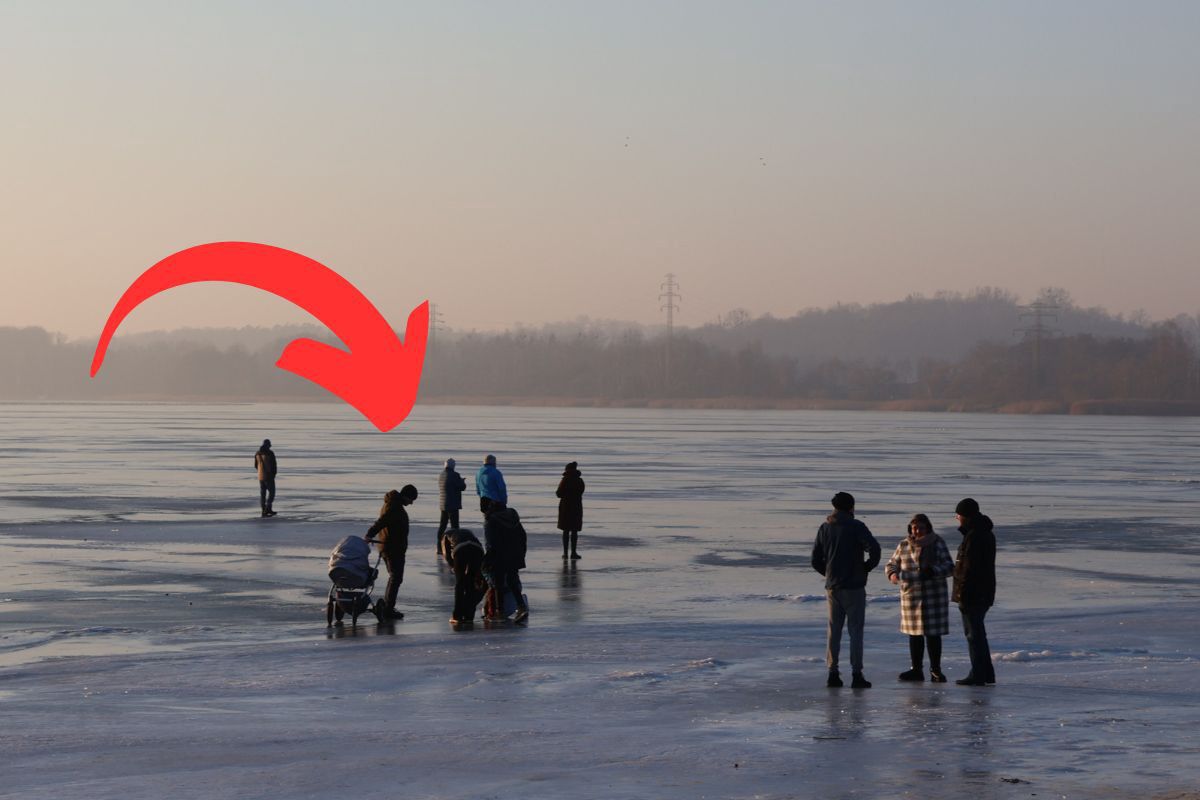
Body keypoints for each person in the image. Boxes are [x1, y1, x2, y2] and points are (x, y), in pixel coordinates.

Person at [811, 492, 881, 689]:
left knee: (834, 630)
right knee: (855, 631)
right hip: (854, 586)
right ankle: (856, 674)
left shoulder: (825, 527)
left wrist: (829, 573)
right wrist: (865, 568)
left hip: (833, 587)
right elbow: (875, 549)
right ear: (851, 507)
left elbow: (815, 559)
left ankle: (832, 673)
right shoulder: (856, 526)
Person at [885, 513, 955, 682]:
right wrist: (893, 574)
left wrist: (933, 571)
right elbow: (891, 564)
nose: (917, 531)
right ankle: (916, 670)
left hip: (934, 596)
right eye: (914, 528)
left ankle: (935, 670)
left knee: (933, 635)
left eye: (921, 528)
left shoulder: (937, 542)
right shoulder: (904, 544)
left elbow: (949, 566)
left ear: (928, 528)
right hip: (911, 596)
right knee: (914, 634)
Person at [952, 498, 997, 686]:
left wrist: (962, 594)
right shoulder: (981, 532)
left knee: (973, 635)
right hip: (982, 592)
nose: (957, 518)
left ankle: (978, 673)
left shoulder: (975, 536)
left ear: (966, 516)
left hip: (973, 594)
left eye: (958, 515)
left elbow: (969, 569)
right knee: (978, 634)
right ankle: (985, 673)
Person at [366, 484, 418, 621]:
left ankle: (389, 607)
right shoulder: (394, 506)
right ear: (406, 496)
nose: (411, 503)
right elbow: (381, 522)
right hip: (392, 548)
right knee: (396, 577)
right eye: (411, 500)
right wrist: (370, 534)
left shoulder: (394, 504)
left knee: (395, 577)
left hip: (391, 547)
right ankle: (388, 609)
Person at [483, 502, 528, 622]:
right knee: (512, 580)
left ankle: (500, 611)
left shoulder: (491, 521)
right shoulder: (513, 518)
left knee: (498, 583)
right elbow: (523, 536)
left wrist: (488, 560)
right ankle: (521, 606)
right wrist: (522, 552)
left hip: (499, 555)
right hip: (515, 554)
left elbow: (490, 543)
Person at [442, 527, 486, 623]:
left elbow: (446, 554)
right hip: (477, 549)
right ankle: (469, 615)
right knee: (471, 583)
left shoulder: (445, 536)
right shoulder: (467, 532)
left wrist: (453, 565)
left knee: (460, 583)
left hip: (460, 549)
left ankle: (457, 615)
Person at [437, 458, 467, 555]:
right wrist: (462, 481)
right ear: (453, 466)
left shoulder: (441, 475)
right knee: (455, 527)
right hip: (453, 504)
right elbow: (462, 487)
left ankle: (439, 547)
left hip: (443, 504)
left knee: (442, 526)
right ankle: (456, 546)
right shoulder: (455, 475)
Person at [556, 461, 585, 559]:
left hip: (566, 508)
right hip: (576, 507)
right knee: (574, 531)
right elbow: (581, 492)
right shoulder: (579, 480)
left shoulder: (565, 480)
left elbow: (558, 493)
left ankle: (565, 553)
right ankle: (573, 553)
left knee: (566, 531)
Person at [254, 439, 277, 518]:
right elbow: (274, 465)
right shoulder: (270, 453)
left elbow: (256, 466)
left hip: (261, 477)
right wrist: (273, 474)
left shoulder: (257, 453)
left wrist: (261, 472)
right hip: (269, 476)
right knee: (272, 493)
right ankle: (267, 508)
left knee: (263, 494)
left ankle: (264, 510)